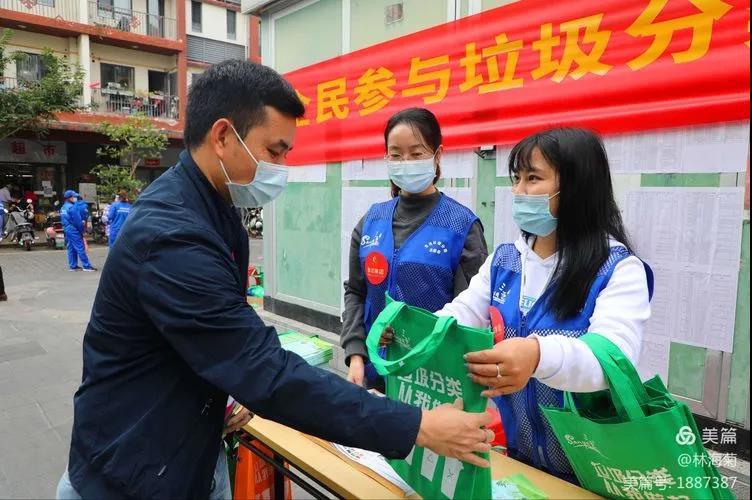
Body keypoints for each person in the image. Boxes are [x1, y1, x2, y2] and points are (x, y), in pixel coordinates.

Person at [56, 60, 493, 500]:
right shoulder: (173, 235)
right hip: (131, 475)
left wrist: (225, 392)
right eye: (275, 150)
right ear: (223, 137)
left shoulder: (215, 208)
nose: (283, 167)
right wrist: (415, 426)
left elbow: (213, 334)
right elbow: (262, 368)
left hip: (185, 450)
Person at [420, 128, 654, 482]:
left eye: (533, 178)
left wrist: (537, 354)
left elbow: (611, 358)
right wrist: (411, 331)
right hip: (519, 457)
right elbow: (460, 314)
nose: (518, 191)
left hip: (592, 468)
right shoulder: (505, 261)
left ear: (577, 187)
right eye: (516, 179)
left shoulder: (616, 269)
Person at [342, 107, 488, 392]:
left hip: (433, 379)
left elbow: (473, 312)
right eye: (396, 155)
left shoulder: (461, 226)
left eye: (416, 153)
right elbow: (356, 293)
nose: (405, 162)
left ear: (437, 155)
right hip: (374, 371)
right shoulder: (371, 221)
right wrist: (356, 355)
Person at [60, 190, 96, 272]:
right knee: (80, 247)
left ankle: (73, 266)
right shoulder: (72, 208)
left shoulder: (63, 207)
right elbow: (77, 221)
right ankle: (87, 266)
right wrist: (82, 230)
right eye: (74, 197)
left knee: (71, 247)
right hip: (74, 229)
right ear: (69, 198)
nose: (75, 198)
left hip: (67, 228)